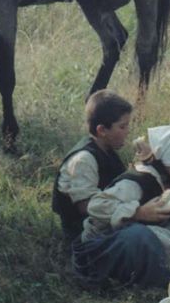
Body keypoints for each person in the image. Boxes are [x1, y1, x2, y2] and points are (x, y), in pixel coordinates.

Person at [73, 124, 170, 289]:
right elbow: (95, 206)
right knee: (143, 235)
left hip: (132, 239)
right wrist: (138, 213)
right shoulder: (138, 181)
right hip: (100, 249)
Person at [53, 90, 132, 242]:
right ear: (102, 130)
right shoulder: (84, 160)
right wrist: (133, 212)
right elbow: (86, 207)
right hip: (83, 232)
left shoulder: (107, 149)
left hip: (105, 222)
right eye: (122, 127)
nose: (127, 132)